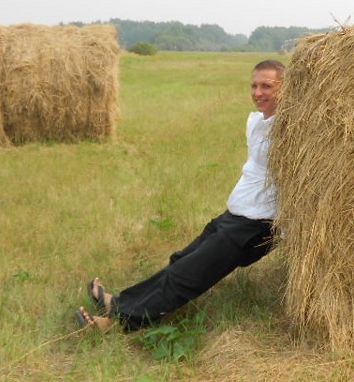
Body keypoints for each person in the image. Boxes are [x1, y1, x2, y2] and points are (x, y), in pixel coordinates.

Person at [76, 59, 285, 331]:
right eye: (254, 85)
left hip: (256, 224)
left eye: (267, 86)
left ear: (285, 88)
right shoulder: (259, 122)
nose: (258, 92)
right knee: (182, 260)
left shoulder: (288, 132)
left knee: (189, 275)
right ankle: (119, 304)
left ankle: (119, 323)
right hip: (237, 212)